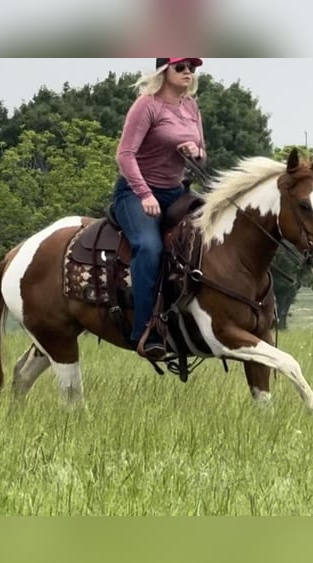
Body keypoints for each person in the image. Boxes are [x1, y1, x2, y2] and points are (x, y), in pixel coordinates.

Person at [113, 57, 207, 361]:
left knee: (210, 237)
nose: (188, 72)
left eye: (192, 67)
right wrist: (144, 194)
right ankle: (145, 329)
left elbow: (202, 155)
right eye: (181, 67)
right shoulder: (147, 105)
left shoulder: (191, 107)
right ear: (163, 71)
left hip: (175, 192)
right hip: (135, 193)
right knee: (150, 247)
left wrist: (195, 152)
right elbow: (125, 155)